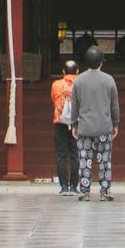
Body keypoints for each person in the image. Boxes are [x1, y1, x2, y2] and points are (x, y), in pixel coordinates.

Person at [69, 47, 121, 199]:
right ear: (101, 62)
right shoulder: (109, 80)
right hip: (104, 127)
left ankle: (84, 192)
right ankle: (105, 191)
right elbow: (114, 105)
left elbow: (74, 105)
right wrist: (115, 123)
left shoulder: (79, 80)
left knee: (84, 161)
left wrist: (74, 124)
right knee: (105, 161)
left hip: (85, 128)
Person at [51, 56, 82, 193]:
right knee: (76, 154)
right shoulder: (81, 84)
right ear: (77, 72)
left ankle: (64, 186)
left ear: (63, 72)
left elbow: (53, 99)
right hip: (77, 121)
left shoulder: (56, 84)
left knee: (61, 154)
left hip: (60, 121)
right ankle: (74, 186)